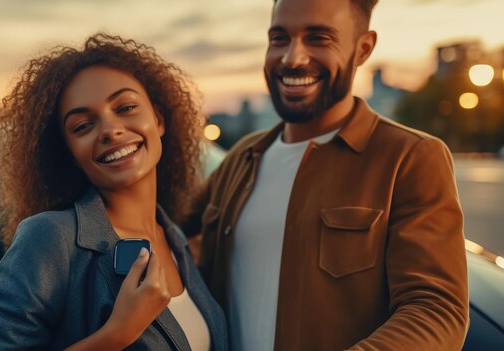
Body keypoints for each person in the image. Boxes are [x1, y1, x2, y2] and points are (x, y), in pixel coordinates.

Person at [183, 0, 469, 350]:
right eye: (279, 38)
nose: (292, 58)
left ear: (363, 49)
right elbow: (160, 228)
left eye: (318, 38)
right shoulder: (242, 157)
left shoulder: (409, 158)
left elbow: (436, 311)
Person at [0, 33, 227, 351]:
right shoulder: (51, 239)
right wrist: (117, 333)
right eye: (83, 126)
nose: (110, 130)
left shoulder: (177, 241)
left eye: (126, 107)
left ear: (158, 119)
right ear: (68, 152)